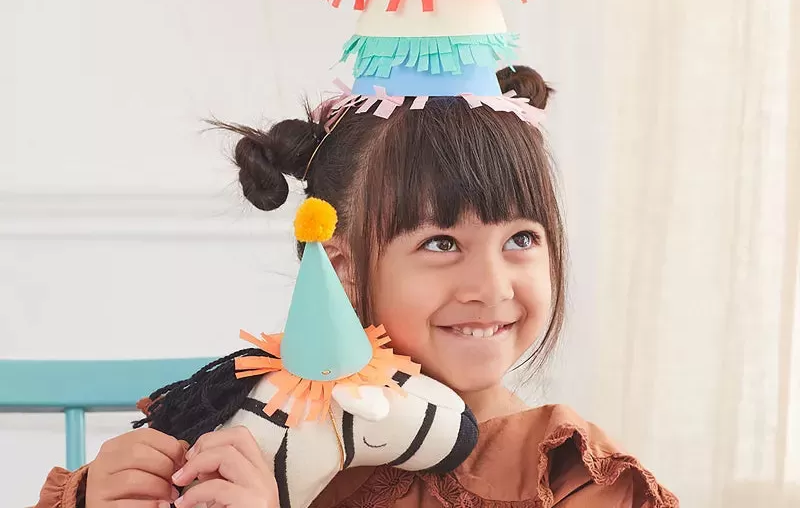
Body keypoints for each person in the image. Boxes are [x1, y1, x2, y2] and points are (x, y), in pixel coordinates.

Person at [32, 66, 678, 508]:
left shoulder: (566, 473)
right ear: (341, 265)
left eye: (521, 240)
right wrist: (103, 493)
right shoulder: (253, 429)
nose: (491, 285)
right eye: (441, 244)